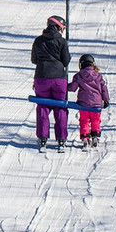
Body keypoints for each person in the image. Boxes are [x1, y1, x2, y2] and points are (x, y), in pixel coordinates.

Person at [31, 15, 70, 151]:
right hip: (59, 78)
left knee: (43, 106)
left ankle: (42, 138)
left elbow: (34, 60)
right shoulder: (62, 42)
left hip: (41, 77)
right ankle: (61, 139)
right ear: (59, 27)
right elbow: (66, 60)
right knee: (60, 107)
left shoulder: (38, 41)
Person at [67, 54, 110, 148]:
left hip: (83, 104)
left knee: (84, 120)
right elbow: (103, 88)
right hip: (96, 104)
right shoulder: (98, 76)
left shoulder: (78, 76)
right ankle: (95, 136)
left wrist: (65, 86)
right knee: (96, 120)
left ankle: (85, 137)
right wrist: (106, 100)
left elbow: (73, 88)